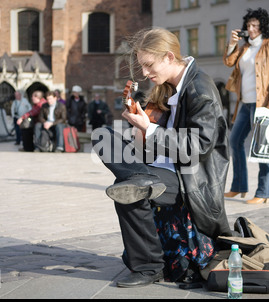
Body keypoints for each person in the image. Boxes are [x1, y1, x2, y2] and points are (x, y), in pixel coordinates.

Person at [91, 28, 232, 287]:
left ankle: (148, 267)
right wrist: (139, 129)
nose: (144, 73)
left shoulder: (200, 88)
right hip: (159, 167)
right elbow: (154, 144)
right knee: (103, 136)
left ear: (168, 56)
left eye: (148, 65)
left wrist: (150, 129)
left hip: (190, 178)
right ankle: (142, 179)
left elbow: (198, 147)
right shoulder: (167, 87)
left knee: (129, 191)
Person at [223, 8, 269, 204]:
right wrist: (232, 44)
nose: (251, 29)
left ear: (262, 27)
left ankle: (263, 192)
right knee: (234, 141)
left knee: (262, 148)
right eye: (248, 25)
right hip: (245, 104)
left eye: (255, 25)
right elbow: (228, 62)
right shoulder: (244, 48)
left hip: (262, 105)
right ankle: (239, 186)